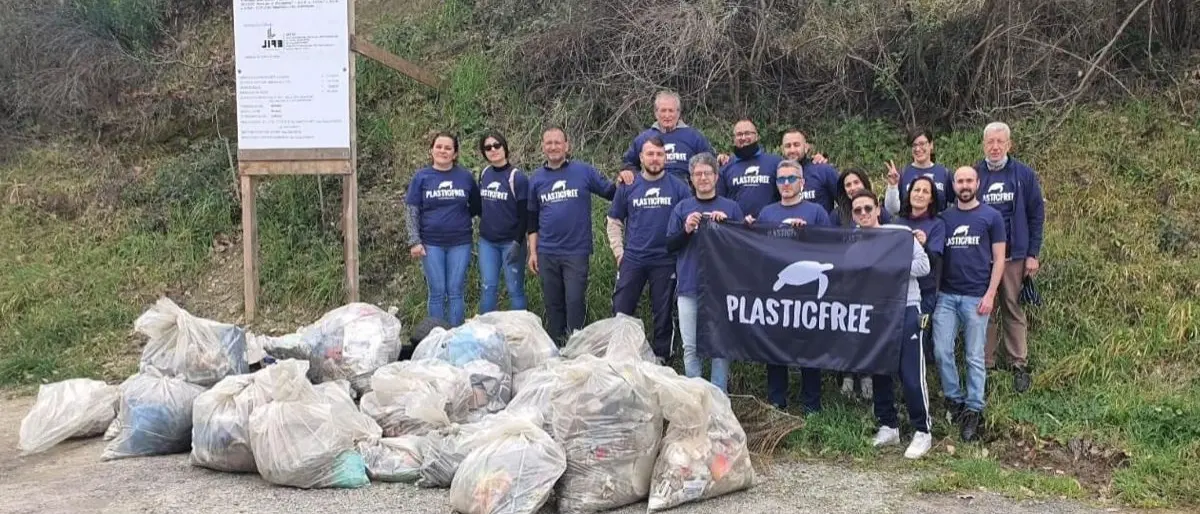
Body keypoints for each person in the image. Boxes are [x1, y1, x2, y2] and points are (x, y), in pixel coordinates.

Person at [848, 190, 933, 459]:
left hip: (906, 307)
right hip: (876, 310)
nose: (863, 213)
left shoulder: (899, 233)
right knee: (880, 369)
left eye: (867, 208)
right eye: (857, 210)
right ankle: (889, 425)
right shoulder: (853, 242)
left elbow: (924, 265)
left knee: (911, 372)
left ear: (878, 210)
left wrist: (888, 266)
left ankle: (922, 430)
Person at [527, 127, 633, 342]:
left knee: (574, 301)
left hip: (576, 251)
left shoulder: (583, 171)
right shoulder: (536, 178)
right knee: (553, 303)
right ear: (543, 147)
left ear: (567, 146)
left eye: (558, 142)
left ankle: (576, 347)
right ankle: (556, 349)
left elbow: (611, 192)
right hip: (547, 251)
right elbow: (531, 219)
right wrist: (532, 252)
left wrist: (624, 179)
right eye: (549, 143)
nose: (553, 147)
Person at [748, 160, 832, 412]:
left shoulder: (816, 212)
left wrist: (809, 233)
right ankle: (776, 402)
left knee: (810, 345)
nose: (786, 183)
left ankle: (812, 406)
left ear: (802, 182)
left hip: (807, 291)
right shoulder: (768, 213)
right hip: (779, 287)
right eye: (781, 179)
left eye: (791, 179)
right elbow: (759, 248)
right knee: (775, 345)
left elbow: (831, 247)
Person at [933, 166, 1007, 442]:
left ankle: (974, 410)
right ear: (953, 185)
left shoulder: (992, 217)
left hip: (977, 295)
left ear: (977, 183)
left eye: (969, 180)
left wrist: (991, 294)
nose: (964, 185)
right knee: (942, 351)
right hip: (947, 297)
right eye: (959, 181)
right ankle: (954, 399)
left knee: (975, 356)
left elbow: (999, 259)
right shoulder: (944, 218)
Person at [606, 137, 692, 363]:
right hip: (633, 258)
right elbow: (614, 221)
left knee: (663, 314)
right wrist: (619, 253)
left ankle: (662, 358)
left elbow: (690, 222)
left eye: (659, 154)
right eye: (650, 154)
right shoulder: (628, 185)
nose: (655, 159)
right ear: (641, 158)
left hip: (666, 260)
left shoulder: (679, 187)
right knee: (621, 309)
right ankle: (620, 355)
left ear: (665, 157)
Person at [974, 122, 1045, 393]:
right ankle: (986, 363)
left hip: (1015, 255)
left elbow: (1036, 215)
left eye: (999, 142)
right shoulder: (976, 174)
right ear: (984, 145)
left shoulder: (1023, 175)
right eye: (990, 142)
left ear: (1009, 145)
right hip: (983, 256)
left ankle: (1018, 363)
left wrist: (1033, 254)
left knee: (1013, 307)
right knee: (985, 309)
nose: (994, 147)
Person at [666, 153, 744, 391]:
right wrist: (687, 228)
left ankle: (718, 396)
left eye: (707, 173)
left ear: (716, 177)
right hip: (689, 286)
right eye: (698, 174)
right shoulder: (682, 208)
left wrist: (726, 227)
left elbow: (743, 248)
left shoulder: (731, 207)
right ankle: (696, 395)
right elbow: (670, 245)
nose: (703, 178)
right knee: (691, 346)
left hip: (721, 288)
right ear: (691, 179)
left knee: (720, 346)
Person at [404, 132, 480, 327]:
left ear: (455, 154)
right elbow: (412, 210)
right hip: (431, 243)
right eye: (439, 147)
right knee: (437, 291)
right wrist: (415, 241)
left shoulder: (465, 177)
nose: (443, 151)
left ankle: (456, 335)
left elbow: (476, 207)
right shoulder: (421, 177)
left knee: (455, 291)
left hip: (460, 243)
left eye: (448, 148)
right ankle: (436, 336)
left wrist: (457, 220)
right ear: (431, 150)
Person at [475, 132, 530, 313]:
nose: (493, 150)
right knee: (488, 287)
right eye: (488, 147)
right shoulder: (484, 174)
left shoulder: (517, 177)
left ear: (504, 147)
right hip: (487, 242)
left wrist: (517, 242)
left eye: (497, 145)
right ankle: (485, 332)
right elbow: (479, 207)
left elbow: (525, 215)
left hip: (511, 242)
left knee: (515, 290)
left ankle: (519, 330)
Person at [621, 90, 715, 186]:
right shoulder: (644, 138)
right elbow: (628, 163)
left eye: (671, 111)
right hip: (652, 189)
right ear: (656, 113)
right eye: (663, 110)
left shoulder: (694, 137)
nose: (667, 115)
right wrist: (631, 174)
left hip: (685, 192)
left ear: (678, 113)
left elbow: (711, 162)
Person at [894, 176, 947, 341]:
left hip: (925, 292)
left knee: (917, 339)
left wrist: (924, 244)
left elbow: (934, 261)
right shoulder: (896, 222)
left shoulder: (937, 224)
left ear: (931, 198)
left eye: (925, 191)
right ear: (909, 194)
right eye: (916, 190)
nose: (920, 194)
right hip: (898, 290)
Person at [716, 119, 782, 218]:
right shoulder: (725, 166)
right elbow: (720, 201)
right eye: (739, 134)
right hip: (737, 228)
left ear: (757, 136)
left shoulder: (775, 162)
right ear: (734, 139)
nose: (743, 137)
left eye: (747, 133)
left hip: (767, 227)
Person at [884, 127, 954, 215]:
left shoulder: (944, 173)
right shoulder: (902, 174)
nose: (917, 149)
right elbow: (892, 210)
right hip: (909, 226)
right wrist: (892, 186)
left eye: (922, 144)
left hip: (937, 226)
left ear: (931, 145)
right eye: (914, 145)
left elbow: (954, 205)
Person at [780, 128, 840, 213]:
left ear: (806, 147)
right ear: (782, 149)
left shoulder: (824, 170)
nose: (792, 150)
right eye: (788, 146)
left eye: (796, 145)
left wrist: (833, 221)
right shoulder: (777, 174)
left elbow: (846, 204)